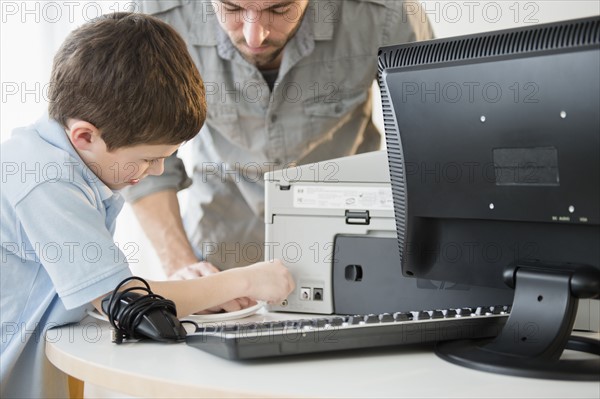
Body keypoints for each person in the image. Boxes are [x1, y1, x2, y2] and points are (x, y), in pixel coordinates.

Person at [0, 12, 294, 398]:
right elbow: (122, 301)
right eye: (147, 158)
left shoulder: (63, 163)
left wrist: (189, 296)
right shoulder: (45, 177)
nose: (156, 170)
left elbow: (104, 293)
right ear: (86, 136)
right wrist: (245, 280)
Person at [125, 0, 434, 277]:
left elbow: (432, 143)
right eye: (232, 9)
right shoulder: (155, 16)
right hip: (221, 253)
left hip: (351, 253)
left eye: (279, 9)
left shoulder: (388, 13)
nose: (253, 36)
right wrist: (182, 266)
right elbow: (138, 155)